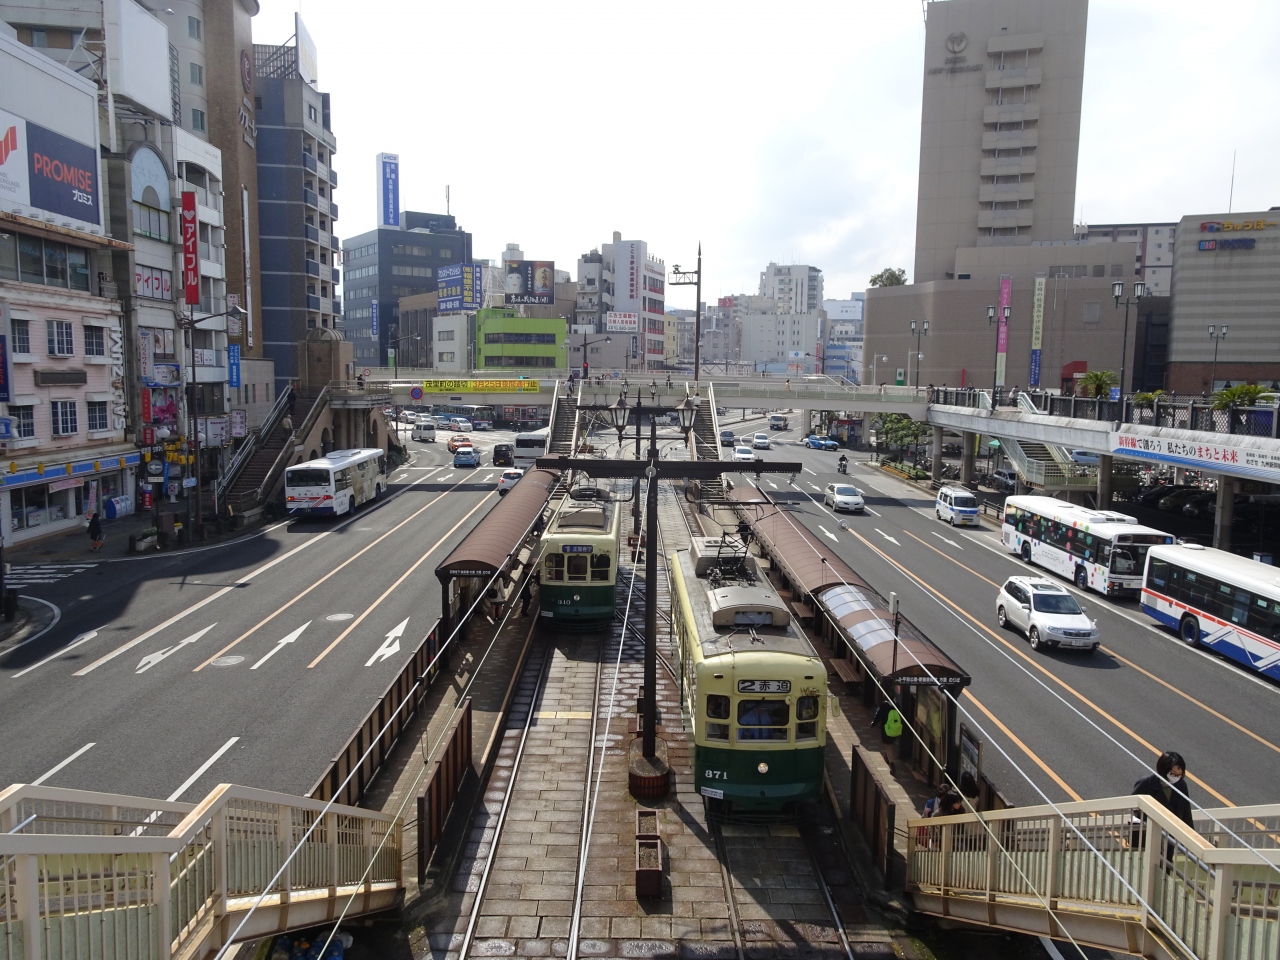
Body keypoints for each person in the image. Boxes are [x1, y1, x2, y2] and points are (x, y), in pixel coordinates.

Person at [1132, 750, 1194, 828]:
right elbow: (1133, 805)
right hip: (1148, 830)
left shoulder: (1181, 785)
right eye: (1173, 773)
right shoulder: (1146, 783)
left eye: (1179, 775)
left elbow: (1186, 813)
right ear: (1164, 769)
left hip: (1172, 830)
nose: (1176, 777)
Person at [871, 697, 904, 775]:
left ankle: (892, 765)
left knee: (888, 747)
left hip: (887, 730)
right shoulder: (896, 704)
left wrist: (873, 724)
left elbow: (878, 716)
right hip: (896, 729)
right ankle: (887, 757)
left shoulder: (884, 705)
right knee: (890, 744)